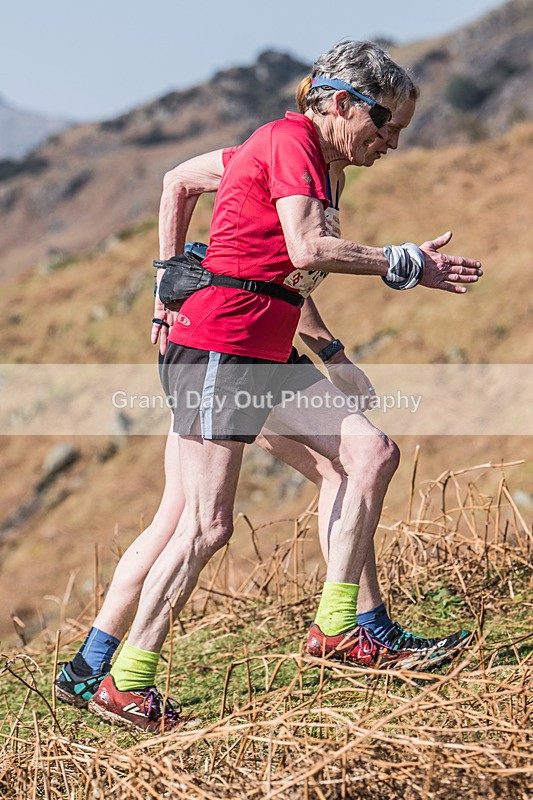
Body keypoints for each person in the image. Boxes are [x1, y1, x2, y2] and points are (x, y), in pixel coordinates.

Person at [56, 41, 482, 732]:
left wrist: (328, 349)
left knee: (368, 456)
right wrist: (401, 262)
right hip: (221, 345)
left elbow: (269, 259)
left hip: (259, 342)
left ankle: (341, 630)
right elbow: (308, 251)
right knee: (204, 524)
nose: (393, 143)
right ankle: (122, 682)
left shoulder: (310, 160)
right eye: (386, 126)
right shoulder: (291, 142)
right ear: (342, 103)